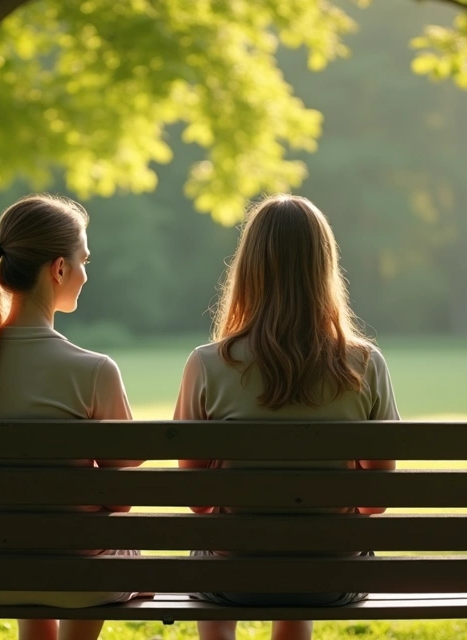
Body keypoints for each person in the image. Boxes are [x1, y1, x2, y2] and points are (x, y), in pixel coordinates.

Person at [173, 194, 400, 640]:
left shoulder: (207, 364)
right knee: (309, 551)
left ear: (249, 269)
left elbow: (197, 501)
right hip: (330, 580)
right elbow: (375, 502)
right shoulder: (365, 364)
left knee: (213, 551)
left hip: (234, 577)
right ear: (324, 268)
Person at [0, 194, 143, 640]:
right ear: (58, 269)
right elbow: (120, 500)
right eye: (83, 261)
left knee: (24, 549)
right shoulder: (94, 370)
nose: (86, 273)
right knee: (104, 553)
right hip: (83, 581)